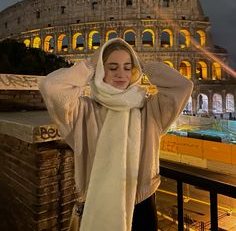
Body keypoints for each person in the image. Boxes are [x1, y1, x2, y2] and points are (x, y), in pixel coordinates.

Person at [39, 38, 193, 231]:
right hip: (96, 201)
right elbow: (51, 87)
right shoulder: (84, 111)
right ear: (102, 70)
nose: (121, 74)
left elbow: (182, 86)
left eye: (128, 67)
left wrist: (145, 65)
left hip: (141, 204)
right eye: (112, 67)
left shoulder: (150, 109)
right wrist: (88, 65)